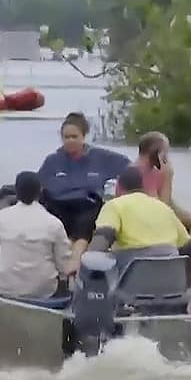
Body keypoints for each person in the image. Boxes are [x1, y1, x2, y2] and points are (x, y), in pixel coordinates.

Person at [88, 167, 191, 313]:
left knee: (98, 264)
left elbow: (103, 239)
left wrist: (84, 263)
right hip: (172, 286)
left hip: (133, 285)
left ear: (119, 187)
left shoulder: (114, 206)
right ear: (143, 187)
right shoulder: (163, 208)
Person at [38, 112, 131, 276]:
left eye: (74, 136)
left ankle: (75, 262)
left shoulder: (102, 158)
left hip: (88, 206)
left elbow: (131, 170)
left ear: (84, 136)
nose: (70, 141)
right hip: (60, 206)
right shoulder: (53, 161)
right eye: (66, 137)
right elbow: (36, 183)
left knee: (88, 218)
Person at [123, 132, 191, 284]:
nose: (168, 159)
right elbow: (161, 211)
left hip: (159, 227)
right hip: (148, 231)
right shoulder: (136, 174)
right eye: (166, 153)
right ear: (158, 154)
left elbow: (172, 206)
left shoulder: (153, 172)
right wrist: (168, 177)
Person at [0, 171, 71, 299]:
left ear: (16, 192)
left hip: (5, 288)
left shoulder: (1, 218)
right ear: (40, 192)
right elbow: (64, 265)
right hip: (44, 291)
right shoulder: (54, 224)